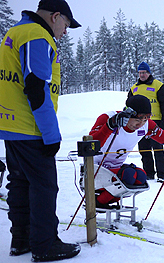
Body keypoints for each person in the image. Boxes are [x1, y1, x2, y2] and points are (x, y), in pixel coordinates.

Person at [0, 0, 81, 261]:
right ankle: (45, 245)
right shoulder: (37, 35)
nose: (65, 32)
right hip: (31, 127)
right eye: (66, 24)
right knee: (44, 187)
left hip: (11, 126)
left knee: (20, 183)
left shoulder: (15, 32)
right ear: (55, 16)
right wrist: (50, 133)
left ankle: (21, 240)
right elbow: (35, 86)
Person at [89, 95, 164, 208]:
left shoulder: (147, 126)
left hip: (116, 170)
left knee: (141, 177)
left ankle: (102, 201)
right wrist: (110, 125)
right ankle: (98, 202)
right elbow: (90, 146)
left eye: (145, 120)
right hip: (94, 169)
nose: (140, 125)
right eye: (137, 120)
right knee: (128, 175)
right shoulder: (109, 118)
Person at [128, 62, 164, 183]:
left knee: (157, 149)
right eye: (140, 73)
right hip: (139, 123)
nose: (141, 75)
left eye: (144, 72)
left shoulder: (158, 85)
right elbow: (128, 106)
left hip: (155, 122)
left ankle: (162, 174)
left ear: (148, 73)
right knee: (144, 149)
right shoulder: (134, 88)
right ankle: (149, 173)